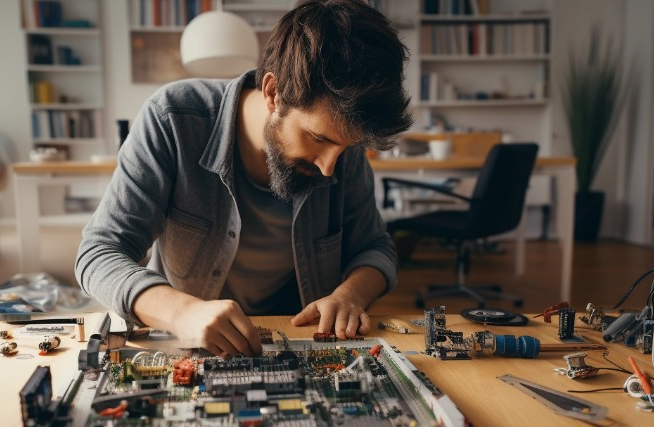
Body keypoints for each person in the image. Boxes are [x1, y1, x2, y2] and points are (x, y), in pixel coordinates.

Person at [76, 0, 412, 357]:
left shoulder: (342, 146)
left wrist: (351, 294)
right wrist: (180, 311)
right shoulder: (172, 118)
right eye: (319, 139)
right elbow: (98, 253)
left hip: (296, 342)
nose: (330, 168)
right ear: (272, 93)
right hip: (191, 348)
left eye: (345, 148)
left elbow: (375, 247)